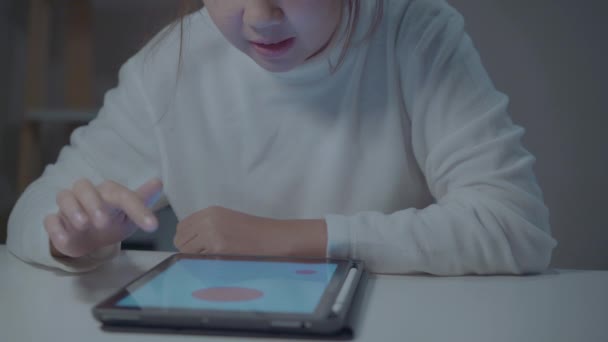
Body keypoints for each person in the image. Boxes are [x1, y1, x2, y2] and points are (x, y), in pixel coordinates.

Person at [7, 0, 557, 275]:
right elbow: (29, 216)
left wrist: (291, 238)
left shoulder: (413, 32)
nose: (260, 17)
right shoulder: (171, 66)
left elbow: (515, 225)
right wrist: (74, 240)